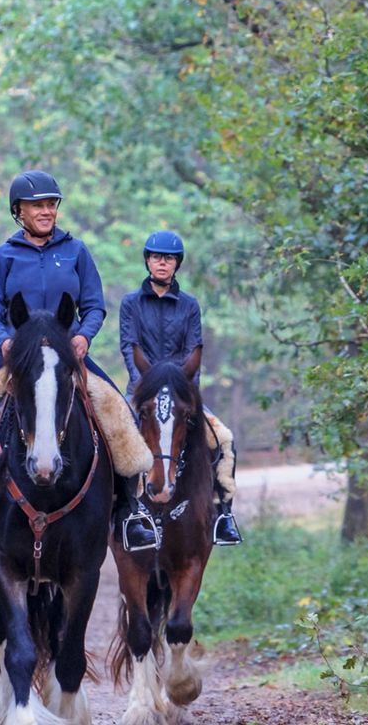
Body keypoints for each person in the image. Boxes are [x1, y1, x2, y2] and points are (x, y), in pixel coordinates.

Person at [0, 169, 159, 554]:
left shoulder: (77, 251)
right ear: (19, 211)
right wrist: (4, 342)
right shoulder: (4, 256)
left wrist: (83, 336)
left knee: (120, 413)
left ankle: (130, 513)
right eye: (38, 205)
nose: (47, 211)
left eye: (51, 204)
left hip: (68, 359)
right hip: (18, 360)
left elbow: (95, 306)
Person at [117, 230, 243, 545]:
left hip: (180, 394)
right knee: (113, 442)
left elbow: (193, 352)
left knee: (224, 440)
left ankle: (223, 513)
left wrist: (187, 393)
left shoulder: (190, 305)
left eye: (169, 258)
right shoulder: (130, 303)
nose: (162, 262)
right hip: (142, 391)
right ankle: (126, 513)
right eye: (157, 257)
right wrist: (142, 388)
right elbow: (128, 348)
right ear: (147, 260)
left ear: (177, 264)